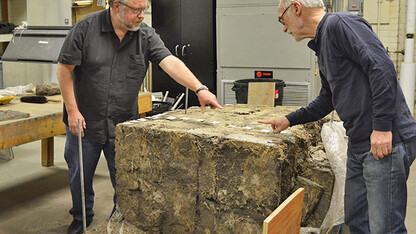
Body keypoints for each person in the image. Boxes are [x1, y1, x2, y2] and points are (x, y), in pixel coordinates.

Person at [57, 0, 222, 233]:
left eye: (144, 9)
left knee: (126, 177)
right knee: (79, 176)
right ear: (116, 6)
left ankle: (120, 217)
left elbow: (169, 62)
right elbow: (64, 69)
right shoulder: (85, 28)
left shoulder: (145, 34)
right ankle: (81, 216)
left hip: (123, 123)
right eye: (136, 10)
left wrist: (199, 88)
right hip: (84, 121)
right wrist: (73, 111)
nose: (142, 15)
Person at [259, 0, 416, 233]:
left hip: (385, 143)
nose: (284, 28)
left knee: (385, 228)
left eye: (282, 20)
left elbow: (381, 67)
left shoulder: (340, 24)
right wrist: (289, 119)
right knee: (356, 221)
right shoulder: (322, 44)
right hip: (359, 144)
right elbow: (327, 98)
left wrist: (382, 127)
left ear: (296, 8)